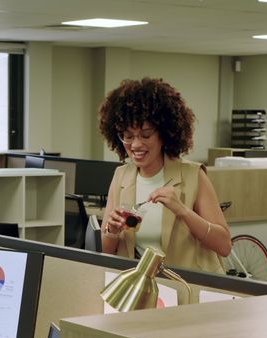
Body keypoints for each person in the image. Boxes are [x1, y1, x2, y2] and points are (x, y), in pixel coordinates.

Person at [97, 77, 231, 273]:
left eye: (146, 135)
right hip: (141, 287)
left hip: (187, 287)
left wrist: (183, 211)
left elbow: (224, 246)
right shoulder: (121, 176)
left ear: (164, 134)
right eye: (128, 136)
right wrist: (112, 231)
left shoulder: (193, 175)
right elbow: (106, 252)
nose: (135, 145)